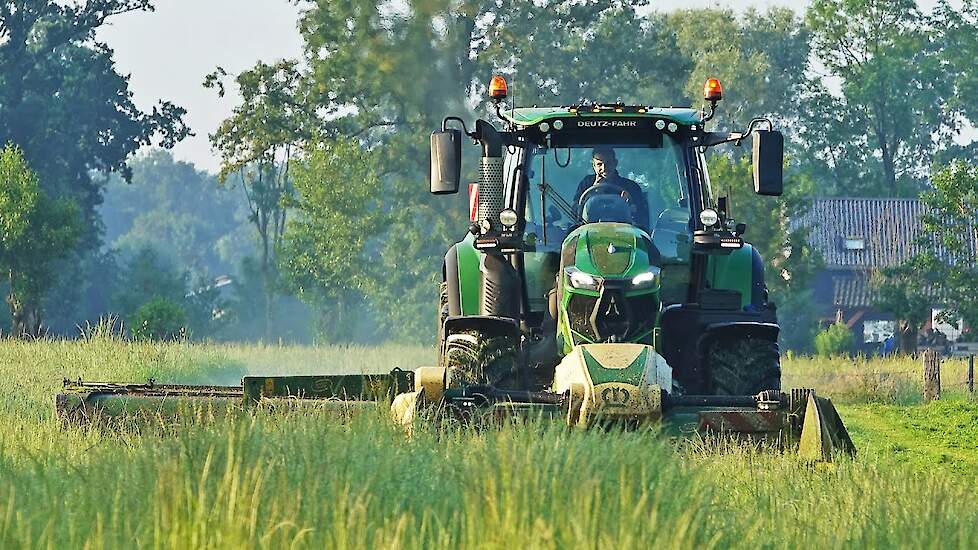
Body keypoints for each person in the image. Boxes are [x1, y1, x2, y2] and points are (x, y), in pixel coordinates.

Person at [573, 147, 650, 228]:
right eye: (599, 164)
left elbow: (642, 217)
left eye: (608, 163)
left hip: (625, 233)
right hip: (589, 231)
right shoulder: (586, 184)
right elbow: (575, 213)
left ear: (615, 163)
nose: (604, 168)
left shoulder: (631, 187)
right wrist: (593, 191)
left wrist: (629, 206)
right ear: (594, 166)